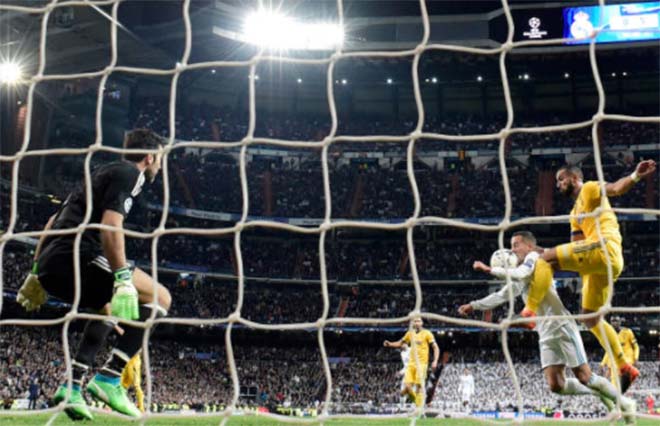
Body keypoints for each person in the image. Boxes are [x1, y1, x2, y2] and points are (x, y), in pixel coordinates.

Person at [16, 129, 172, 420]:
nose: (160, 167)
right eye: (161, 159)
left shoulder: (99, 174)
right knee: (161, 297)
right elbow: (110, 225)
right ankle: (110, 378)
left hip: (52, 263)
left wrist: (35, 271)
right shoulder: (131, 174)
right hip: (78, 256)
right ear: (150, 157)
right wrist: (122, 277)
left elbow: (52, 220)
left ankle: (72, 387)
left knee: (107, 310)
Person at [459, 231, 636, 422]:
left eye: (516, 245)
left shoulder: (534, 259)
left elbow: (522, 272)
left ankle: (626, 404)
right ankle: (598, 392)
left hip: (561, 325)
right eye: (511, 246)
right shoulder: (520, 277)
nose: (512, 249)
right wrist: (474, 305)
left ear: (529, 246)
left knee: (585, 376)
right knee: (556, 385)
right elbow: (502, 295)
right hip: (544, 332)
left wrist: (490, 270)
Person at [530, 160, 655, 392]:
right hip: (596, 262)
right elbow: (576, 248)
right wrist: (544, 254)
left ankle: (530, 309)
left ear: (574, 178)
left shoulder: (588, 188)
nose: (558, 184)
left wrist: (635, 176)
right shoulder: (574, 214)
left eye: (561, 179)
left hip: (604, 249)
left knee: (545, 259)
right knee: (589, 317)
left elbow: (615, 188)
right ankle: (624, 367)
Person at [384, 317, 439, 409]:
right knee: (407, 387)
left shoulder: (427, 333)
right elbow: (400, 343)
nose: (416, 323)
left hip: (422, 364)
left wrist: (435, 360)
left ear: (422, 323)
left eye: (418, 321)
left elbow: (435, 347)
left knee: (418, 387)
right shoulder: (410, 333)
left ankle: (419, 408)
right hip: (411, 365)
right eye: (415, 321)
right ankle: (418, 404)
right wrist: (390, 344)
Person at [600, 317, 639, 386]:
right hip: (616, 358)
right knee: (610, 371)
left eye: (616, 321)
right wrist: (602, 363)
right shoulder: (609, 334)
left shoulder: (628, 332)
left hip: (628, 358)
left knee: (619, 371)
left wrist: (636, 358)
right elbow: (609, 351)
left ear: (620, 322)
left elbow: (636, 347)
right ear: (610, 323)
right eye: (613, 321)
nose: (614, 323)